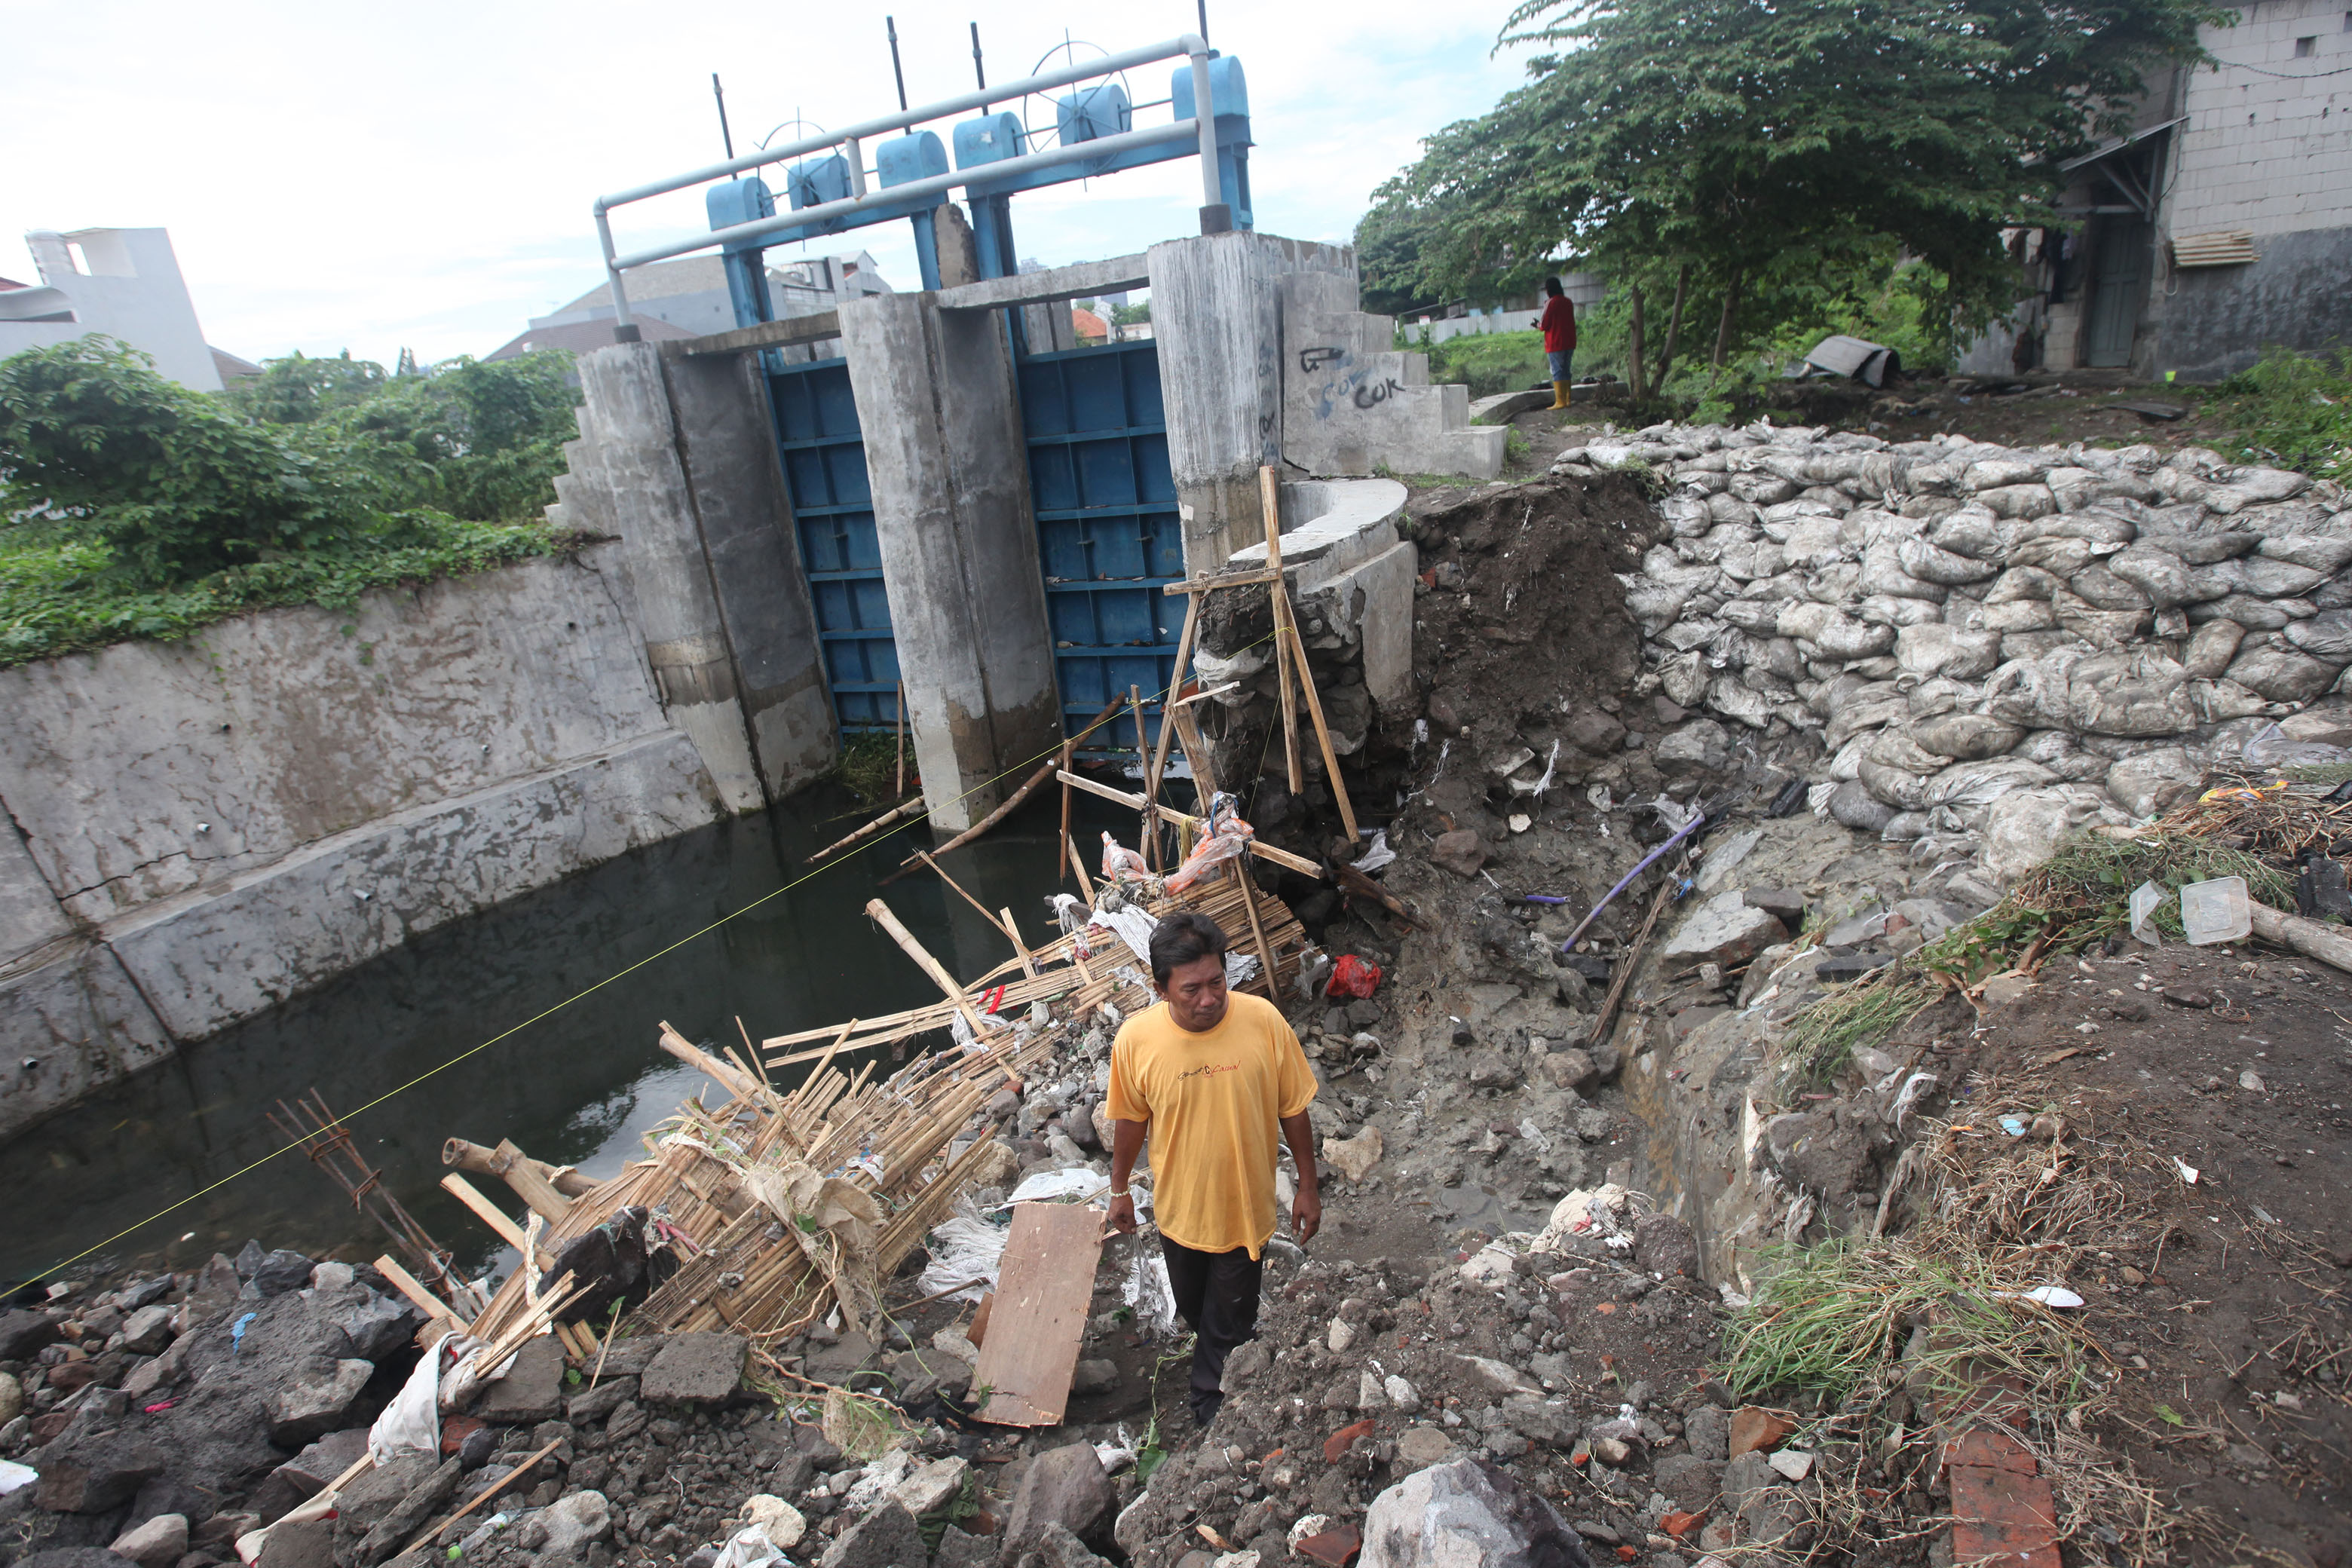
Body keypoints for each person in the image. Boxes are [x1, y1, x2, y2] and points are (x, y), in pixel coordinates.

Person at [1105, 911, 1319, 1428]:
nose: (1209, 999)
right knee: (1200, 1312)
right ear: (1161, 990)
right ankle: (1230, 1362)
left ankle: (1211, 1411)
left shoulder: (1263, 1022)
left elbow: (1294, 1108)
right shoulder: (1136, 1043)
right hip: (1179, 1213)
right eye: (1192, 989)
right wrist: (1118, 1190)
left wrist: (1308, 1188)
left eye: (1217, 982)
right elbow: (1131, 1123)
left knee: (1227, 1323)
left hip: (1244, 1214)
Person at [1535, 276, 1576, 410]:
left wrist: (1537, 325)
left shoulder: (1551, 303)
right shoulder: (1568, 302)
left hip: (1555, 343)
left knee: (1557, 371)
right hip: (1569, 341)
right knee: (1566, 370)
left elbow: (1545, 325)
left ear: (1548, 290)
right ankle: (1568, 400)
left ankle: (1560, 402)